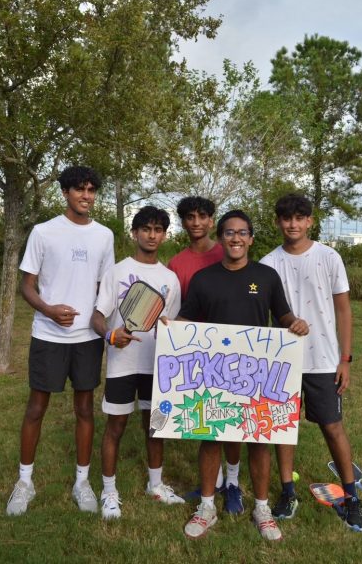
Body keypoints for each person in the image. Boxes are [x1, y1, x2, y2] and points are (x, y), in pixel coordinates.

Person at [177, 209, 309, 540]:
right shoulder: (204, 279)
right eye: (229, 233)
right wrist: (170, 328)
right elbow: (186, 319)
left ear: (250, 238)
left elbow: (283, 314)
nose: (235, 238)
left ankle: (262, 508)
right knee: (210, 437)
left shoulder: (266, 276)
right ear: (220, 239)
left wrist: (295, 322)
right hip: (214, 373)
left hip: (256, 372)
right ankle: (207, 506)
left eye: (242, 233)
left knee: (259, 441)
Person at [6, 166, 115, 516]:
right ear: (65, 193)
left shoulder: (104, 236)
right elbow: (27, 285)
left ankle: (82, 482)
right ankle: (25, 482)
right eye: (80, 189)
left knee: (85, 409)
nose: (87, 196)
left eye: (91, 190)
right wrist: (50, 310)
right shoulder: (43, 232)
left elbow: (106, 288)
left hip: (87, 338)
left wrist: (103, 321)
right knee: (36, 407)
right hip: (48, 335)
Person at [260, 193, 362, 532]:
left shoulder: (328, 256)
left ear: (309, 221)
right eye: (286, 218)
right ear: (278, 222)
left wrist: (345, 359)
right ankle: (287, 492)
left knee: (332, 426)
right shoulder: (267, 263)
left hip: (322, 358)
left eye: (299, 218)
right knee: (282, 427)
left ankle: (351, 497)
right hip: (282, 361)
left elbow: (343, 310)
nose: (292, 224)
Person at [91, 206, 184, 520]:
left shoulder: (170, 278)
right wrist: (110, 335)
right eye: (146, 228)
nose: (152, 234)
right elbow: (97, 317)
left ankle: (155, 485)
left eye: (158, 229)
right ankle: (109, 491)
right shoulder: (116, 271)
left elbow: (174, 324)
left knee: (154, 427)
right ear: (135, 233)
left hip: (156, 366)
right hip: (122, 365)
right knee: (115, 426)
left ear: (164, 234)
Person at [168, 196, 243, 513]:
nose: (196, 222)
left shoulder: (227, 249)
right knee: (207, 420)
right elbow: (178, 310)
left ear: (212, 221)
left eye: (202, 216)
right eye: (189, 217)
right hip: (196, 354)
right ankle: (211, 483)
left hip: (234, 349)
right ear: (183, 222)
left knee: (234, 420)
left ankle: (234, 482)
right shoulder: (176, 263)